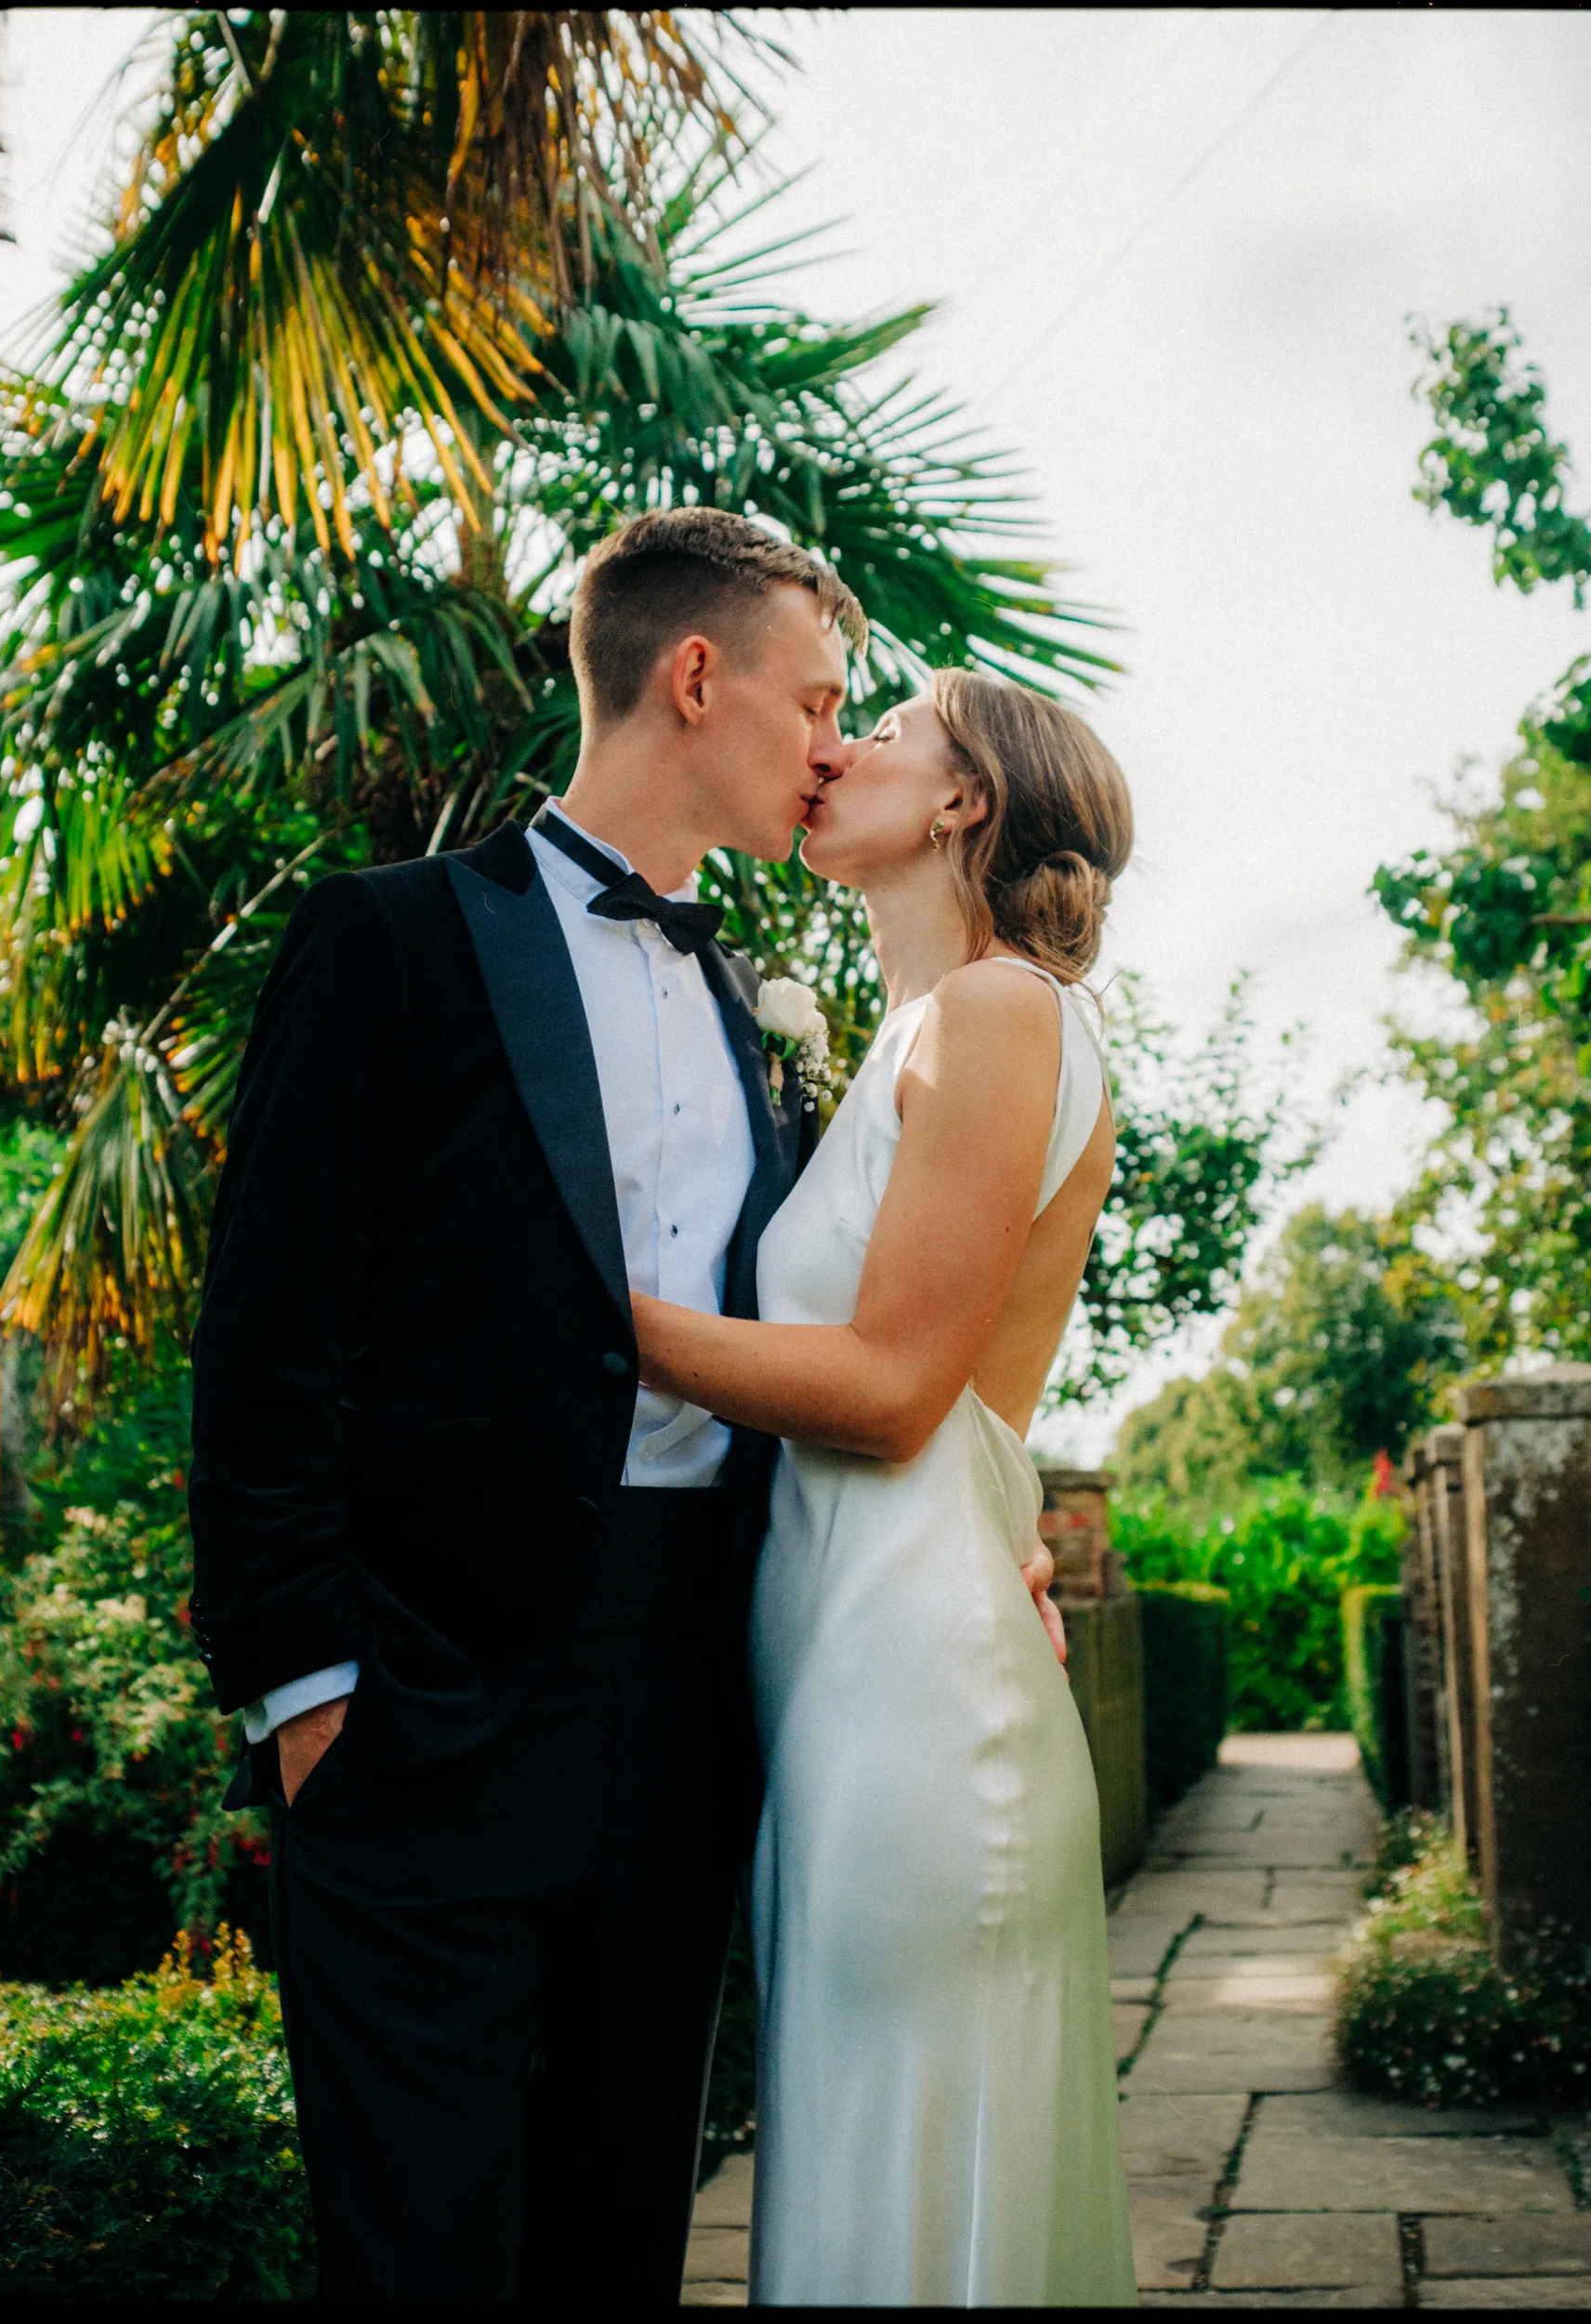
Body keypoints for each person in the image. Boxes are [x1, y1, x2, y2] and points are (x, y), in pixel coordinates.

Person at [186, 505, 1067, 2302]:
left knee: (618, 2242)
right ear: (693, 679)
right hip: (420, 1714)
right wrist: (308, 1688)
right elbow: (268, 1339)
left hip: (691, 1708)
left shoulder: (757, 1012)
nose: (834, 743)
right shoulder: (390, 941)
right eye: (820, 700)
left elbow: (868, 1345)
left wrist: (990, 1538)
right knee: (417, 2250)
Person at [632, 670, 1141, 2306]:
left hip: (922, 1697)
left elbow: (897, 1392)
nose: (833, 749)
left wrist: (577, 1305)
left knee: (911, 2187)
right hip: (852, 1667)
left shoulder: (1002, 1009)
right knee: (870, 2174)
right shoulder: (921, 1032)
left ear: (962, 802)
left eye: (885, 732)